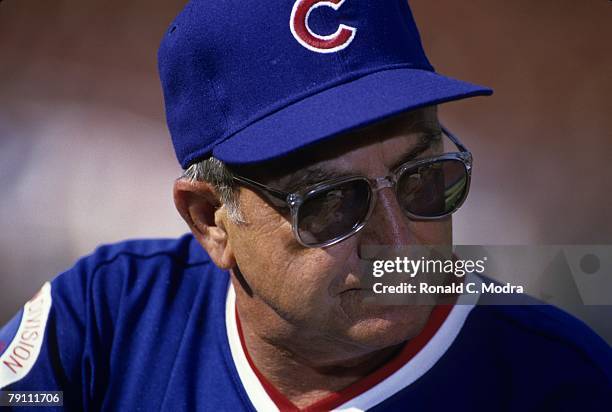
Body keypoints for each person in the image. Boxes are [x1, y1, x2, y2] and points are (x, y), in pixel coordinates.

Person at [1, 0, 610, 411]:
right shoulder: (103, 326)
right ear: (211, 220)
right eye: (330, 203)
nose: (397, 241)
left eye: (426, 179)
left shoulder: (560, 380)